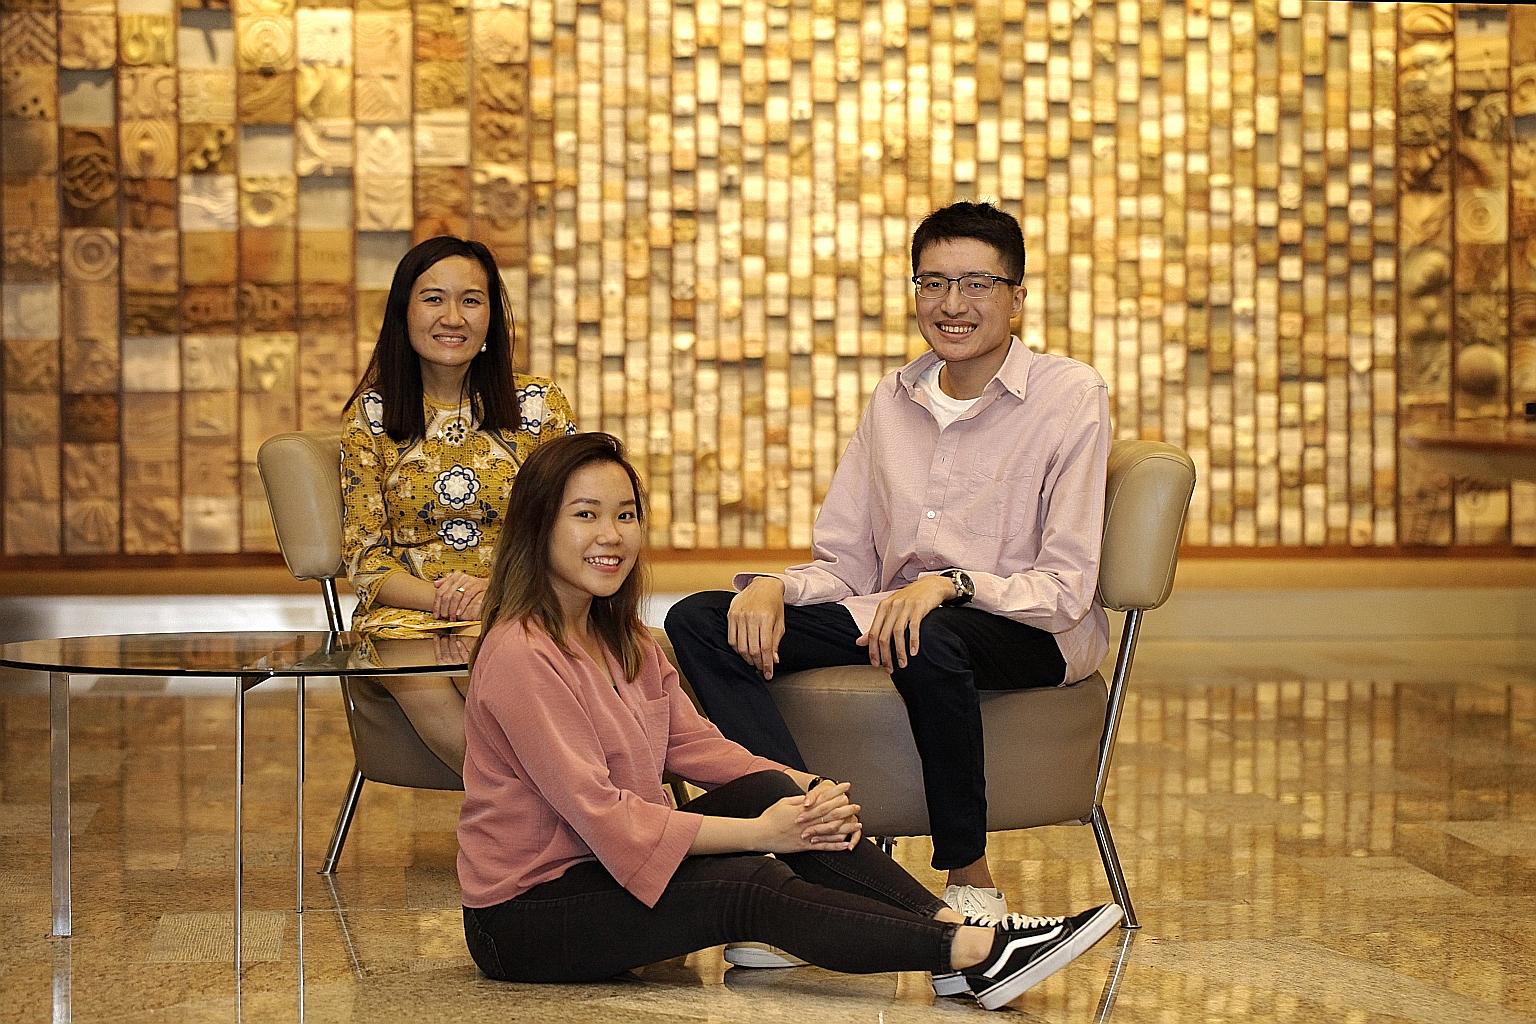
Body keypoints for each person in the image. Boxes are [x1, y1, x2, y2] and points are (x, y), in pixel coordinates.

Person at [457, 431, 1121, 1009]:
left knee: (776, 792)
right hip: (526, 914)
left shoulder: (622, 637)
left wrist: (807, 791)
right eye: (586, 516)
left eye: (625, 515)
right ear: (537, 527)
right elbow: (604, 816)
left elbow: (698, 747)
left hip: (609, 871)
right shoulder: (521, 654)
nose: (611, 536)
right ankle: (972, 951)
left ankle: (956, 934)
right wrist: (761, 833)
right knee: (747, 885)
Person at [665, 201, 1112, 927]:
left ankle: (970, 881)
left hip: (1028, 626)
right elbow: (847, 562)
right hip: (894, 615)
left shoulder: (1070, 396)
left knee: (925, 633)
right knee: (701, 620)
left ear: (1017, 297)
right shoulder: (893, 398)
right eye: (933, 283)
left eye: (977, 284)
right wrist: (775, 586)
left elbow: (1066, 588)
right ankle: (807, 835)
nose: (952, 304)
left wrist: (949, 587)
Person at [340, 235, 577, 771]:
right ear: (403, 312)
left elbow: (570, 527)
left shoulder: (539, 406)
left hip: (518, 600)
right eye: (433, 299)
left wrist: (494, 596)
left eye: (471, 300)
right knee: (421, 671)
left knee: (494, 657)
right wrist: (445, 601)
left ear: (492, 316)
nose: (453, 317)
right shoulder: (370, 417)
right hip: (407, 614)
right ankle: (566, 809)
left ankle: (545, 813)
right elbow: (365, 558)